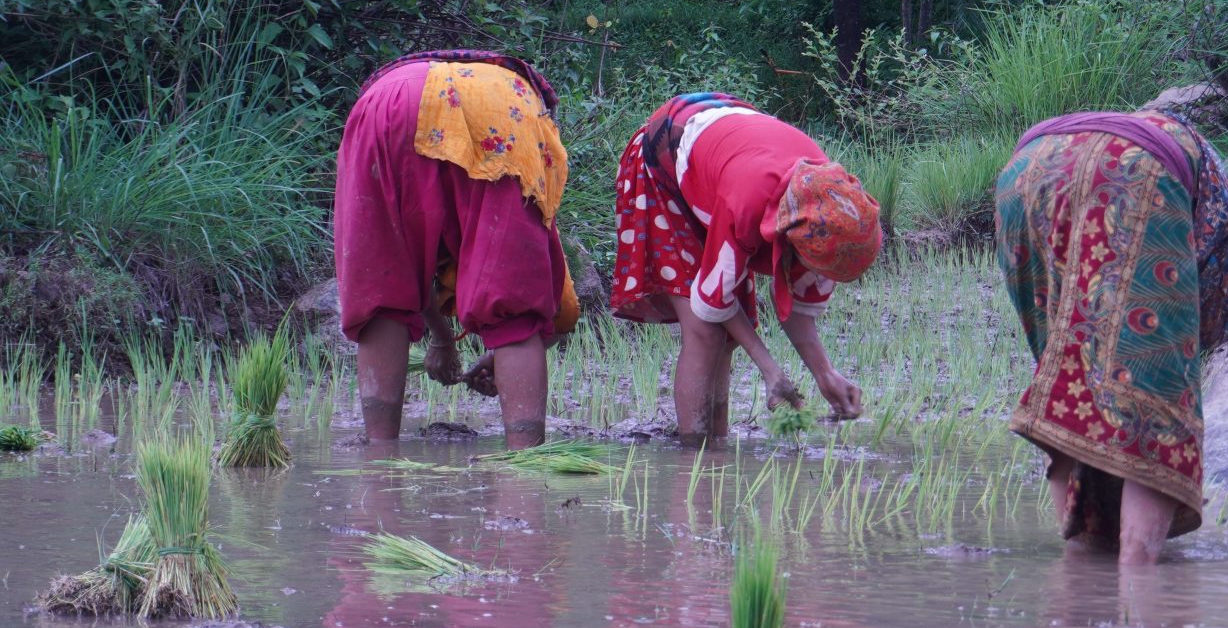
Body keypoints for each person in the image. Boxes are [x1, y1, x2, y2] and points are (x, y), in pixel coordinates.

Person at [996, 108, 1228, 564]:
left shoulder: (1222, 224)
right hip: (1132, 167)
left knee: (1070, 384)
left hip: (1026, 171)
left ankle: (1079, 578)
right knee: (1159, 405)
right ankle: (1137, 581)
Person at [334, 50, 580, 447]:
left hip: (386, 103)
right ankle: (525, 461)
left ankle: (378, 458)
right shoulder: (515, 102)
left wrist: (446, 339)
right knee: (515, 307)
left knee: (383, 290)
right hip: (497, 107)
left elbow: (409, 274)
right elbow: (553, 306)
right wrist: (477, 342)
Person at [609, 92, 881, 442]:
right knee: (704, 331)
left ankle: (717, 446)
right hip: (665, 153)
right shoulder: (750, 203)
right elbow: (713, 300)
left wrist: (825, 374)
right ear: (793, 241)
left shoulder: (828, 205)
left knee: (727, 338)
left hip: (724, 152)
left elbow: (796, 306)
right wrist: (771, 371)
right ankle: (694, 455)